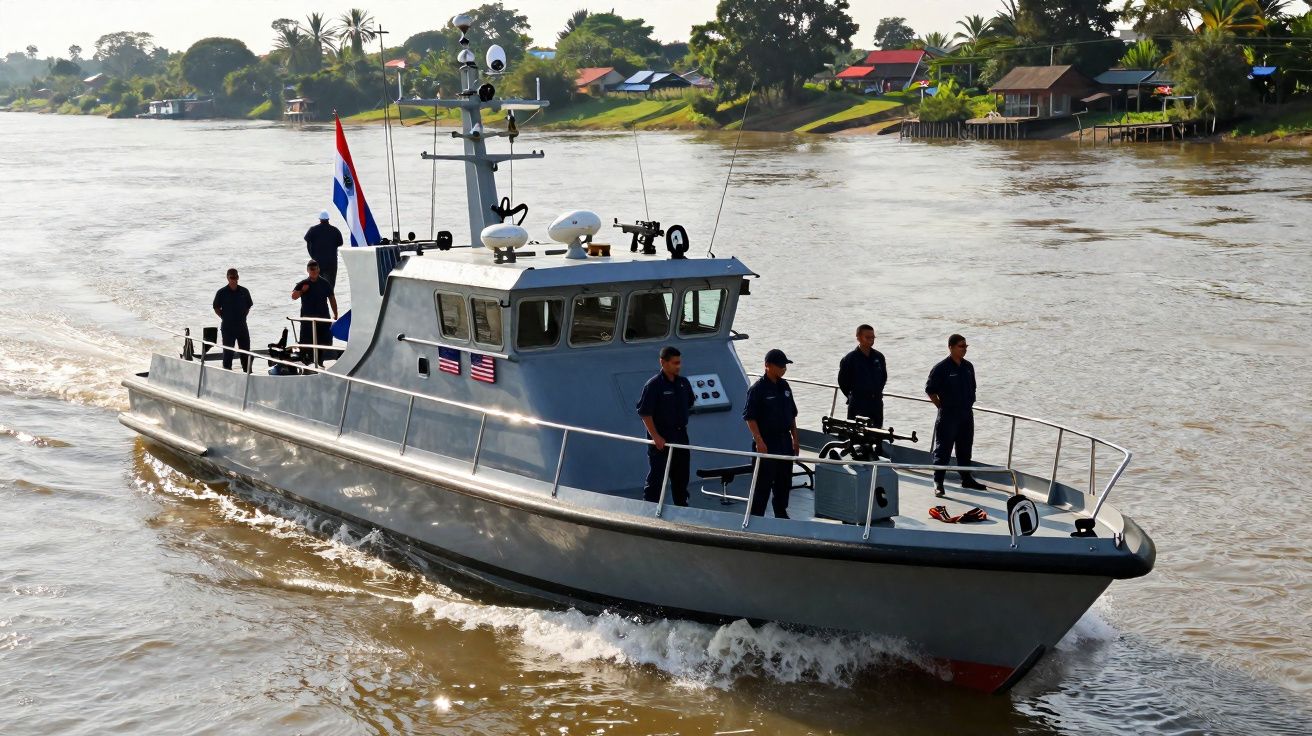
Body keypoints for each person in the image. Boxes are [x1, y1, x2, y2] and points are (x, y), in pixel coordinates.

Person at [925, 333, 987, 496]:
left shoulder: (968, 367)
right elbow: (930, 390)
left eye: (966, 346)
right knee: (943, 449)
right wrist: (941, 406)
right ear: (951, 347)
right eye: (961, 346)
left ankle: (966, 478)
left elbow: (973, 387)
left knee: (965, 448)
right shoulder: (941, 368)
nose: (964, 349)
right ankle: (938, 481)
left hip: (966, 414)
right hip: (948, 415)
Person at [636, 346, 696, 506]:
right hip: (661, 439)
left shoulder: (683, 383)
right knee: (657, 479)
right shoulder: (654, 385)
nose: (678, 366)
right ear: (663, 362)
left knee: (681, 478)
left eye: (680, 363)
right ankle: (649, 511)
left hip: (681, 437)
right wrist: (655, 436)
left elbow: (689, 403)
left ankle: (681, 510)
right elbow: (645, 413)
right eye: (675, 363)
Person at [743, 349, 800, 518]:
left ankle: (781, 512)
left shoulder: (785, 386)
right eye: (781, 365)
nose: (784, 369)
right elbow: (750, 417)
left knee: (784, 482)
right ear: (768, 366)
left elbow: (792, 415)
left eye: (785, 366)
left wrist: (795, 439)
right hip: (767, 442)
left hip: (784, 441)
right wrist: (759, 440)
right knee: (762, 482)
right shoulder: (757, 389)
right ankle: (756, 516)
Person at [837, 323, 888, 426]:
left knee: (877, 435)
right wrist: (852, 396)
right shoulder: (850, 359)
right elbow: (842, 381)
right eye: (867, 337)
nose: (871, 339)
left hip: (876, 403)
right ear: (858, 338)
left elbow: (883, 377)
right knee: (857, 436)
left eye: (873, 337)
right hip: (858, 404)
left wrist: (876, 392)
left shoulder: (879, 357)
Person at [291, 260, 338, 366]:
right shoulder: (303, 283)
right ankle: (308, 362)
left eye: (315, 269)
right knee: (306, 343)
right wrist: (302, 291)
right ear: (308, 271)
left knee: (323, 342)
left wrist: (336, 314)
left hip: (323, 318)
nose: (313, 271)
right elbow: (293, 296)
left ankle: (320, 362)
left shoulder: (325, 283)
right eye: (311, 269)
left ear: (318, 270)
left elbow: (332, 299)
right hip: (307, 320)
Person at [212, 268, 253, 372]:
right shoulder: (221, 292)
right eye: (231, 277)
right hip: (228, 327)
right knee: (228, 353)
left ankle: (247, 373)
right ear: (227, 278)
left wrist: (242, 317)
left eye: (235, 277)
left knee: (245, 352)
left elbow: (248, 306)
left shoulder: (244, 291)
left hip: (242, 326)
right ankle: (227, 373)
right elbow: (216, 308)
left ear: (238, 277)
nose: (234, 280)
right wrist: (225, 317)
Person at [304, 210, 344, 286]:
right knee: (330, 285)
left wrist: (312, 255)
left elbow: (307, 242)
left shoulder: (313, 230)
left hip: (317, 262)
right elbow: (340, 243)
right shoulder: (335, 230)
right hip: (331, 262)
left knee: (317, 286)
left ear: (320, 219)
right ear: (328, 219)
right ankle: (330, 297)